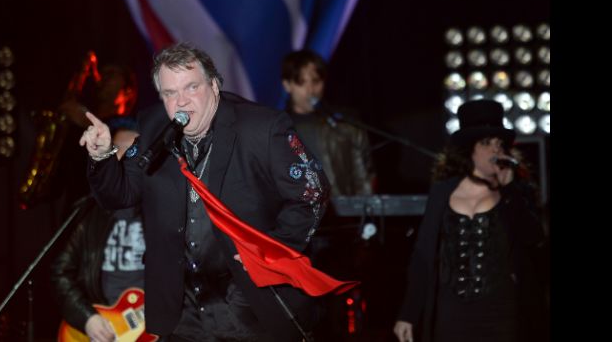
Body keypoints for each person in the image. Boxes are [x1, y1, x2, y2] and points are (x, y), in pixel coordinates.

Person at [79, 43, 331, 341]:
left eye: (191, 87)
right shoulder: (152, 128)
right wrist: (102, 156)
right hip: (183, 313)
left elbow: (313, 190)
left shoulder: (261, 127)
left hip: (250, 305)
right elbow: (118, 195)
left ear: (213, 85)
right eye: (170, 93)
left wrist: (271, 249)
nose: (181, 102)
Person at [393, 99, 547, 342]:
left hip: (501, 314)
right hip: (452, 314)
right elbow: (422, 256)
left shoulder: (514, 193)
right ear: (469, 149)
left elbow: (535, 240)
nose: (495, 150)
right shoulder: (443, 192)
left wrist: (510, 192)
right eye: (486, 143)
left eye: (499, 144)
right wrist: (408, 313)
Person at [51, 119, 144, 342]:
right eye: (119, 150)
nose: (127, 160)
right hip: (103, 325)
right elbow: (60, 272)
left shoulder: (165, 211)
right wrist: (87, 318)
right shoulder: (88, 212)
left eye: (135, 153)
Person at [281, 49, 375, 196]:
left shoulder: (344, 125)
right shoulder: (277, 130)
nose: (310, 90)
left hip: (341, 215)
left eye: (316, 81)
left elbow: (363, 179)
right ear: (287, 85)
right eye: (301, 82)